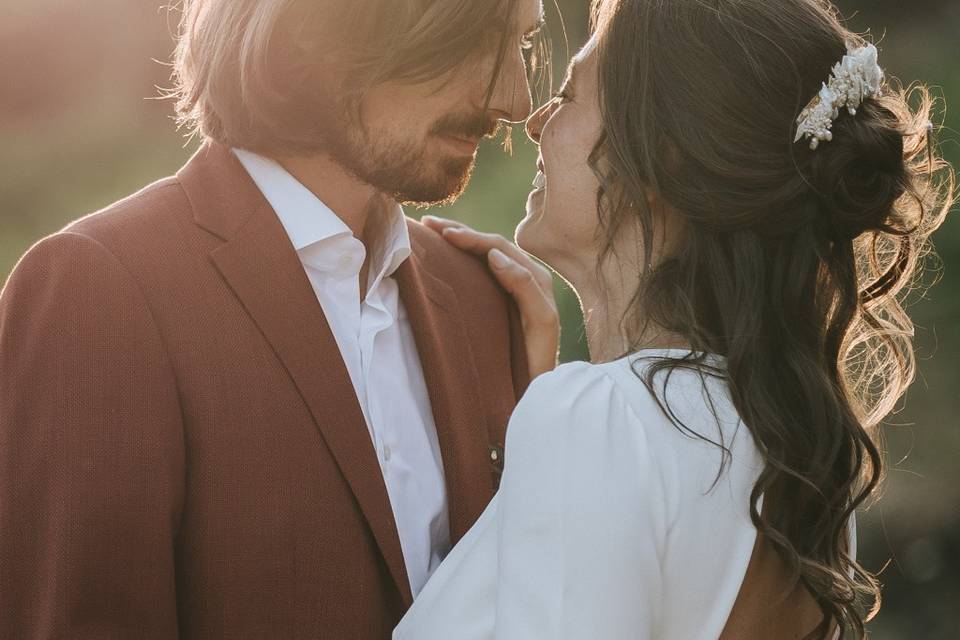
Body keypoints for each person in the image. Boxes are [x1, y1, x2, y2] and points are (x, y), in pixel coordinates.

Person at [395, 0, 954, 638]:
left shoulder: (597, 422)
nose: (534, 121)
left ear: (665, 159)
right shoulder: (800, 455)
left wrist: (566, 410)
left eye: (570, 96)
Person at [0, 0, 558, 637]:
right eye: (478, 43)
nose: (515, 100)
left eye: (525, 45)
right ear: (329, 30)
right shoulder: (99, 291)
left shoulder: (488, 302)